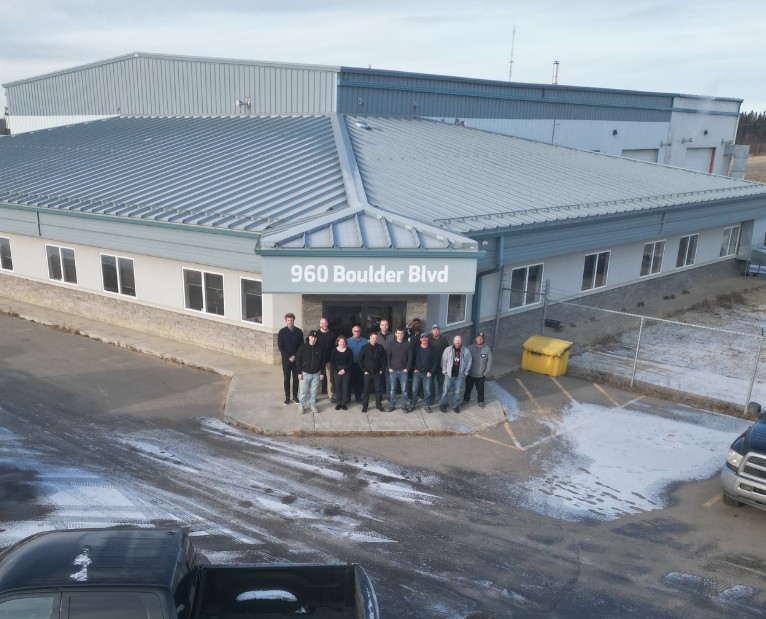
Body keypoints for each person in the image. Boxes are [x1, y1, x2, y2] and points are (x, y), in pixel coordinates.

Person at [439, 335, 472, 414]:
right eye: (456, 340)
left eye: (459, 340)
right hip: (449, 375)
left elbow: (469, 362)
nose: (457, 342)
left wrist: (465, 372)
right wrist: (445, 371)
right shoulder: (448, 350)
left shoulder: (466, 351)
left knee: (457, 392)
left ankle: (455, 405)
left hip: (459, 376)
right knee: (445, 391)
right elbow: (443, 361)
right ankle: (443, 405)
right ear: (453, 341)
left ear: (461, 341)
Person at [277, 312, 303, 405]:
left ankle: (295, 397)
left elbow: (301, 346)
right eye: (288, 320)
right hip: (286, 360)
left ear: (294, 320)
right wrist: (289, 356)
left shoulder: (299, 332)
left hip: (297, 360)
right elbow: (280, 347)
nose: (290, 322)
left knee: (296, 379)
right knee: (286, 379)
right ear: (286, 321)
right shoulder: (282, 332)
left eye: (291, 320)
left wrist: (295, 356)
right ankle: (287, 397)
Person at [296, 330, 323, 414]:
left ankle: (313, 405)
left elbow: (322, 361)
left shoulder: (320, 348)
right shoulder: (303, 347)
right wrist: (299, 373)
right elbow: (298, 360)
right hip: (305, 373)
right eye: (312, 337)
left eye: (315, 338)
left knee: (314, 391)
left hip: (316, 373)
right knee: (303, 391)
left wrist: (322, 373)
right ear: (309, 337)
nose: (313, 339)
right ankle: (301, 406)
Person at [358, 332, 386, 412]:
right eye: (373, 338)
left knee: (378, 390)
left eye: (376, 338)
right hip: (367, 373)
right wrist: (364, 371)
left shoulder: (380, 347)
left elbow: (384, 360)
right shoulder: (364, 347)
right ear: (370, 338)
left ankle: (378, 405)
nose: (375, 339)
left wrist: (381, 369)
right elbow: (360, 360)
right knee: (366, 390)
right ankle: (365, 406)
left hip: (377, 372)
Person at [464, 333, 493, 408]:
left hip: (481, 375)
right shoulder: (470, 348)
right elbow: (465, 360)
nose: (479, 340)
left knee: (480, 389)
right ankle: (465, 400)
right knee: (468, 388)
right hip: (470, 374)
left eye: (481, 338)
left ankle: (481, 401)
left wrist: (486, 372)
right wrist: (465, 371)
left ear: (483, 340)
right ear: (475, 339)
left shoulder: (487, 349)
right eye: (478, 338)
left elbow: (489, 361)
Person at [386, 328, 412, 412]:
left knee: (404, 390)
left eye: (401, 333)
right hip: (393, 371)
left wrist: (407, 368)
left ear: (403, 334)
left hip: (403, 371)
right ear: (395, 334)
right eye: (398, 333)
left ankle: (404, 406)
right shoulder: (391, 344)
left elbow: (410, 358)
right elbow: (388, 357)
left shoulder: (407, 344)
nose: (400, 335)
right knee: (392, 389)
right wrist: (389, 367)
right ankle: (392, 405)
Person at [412, 332, 438, 413]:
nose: (424, 339)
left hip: (427, 373)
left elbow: (435, 362)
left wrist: (431, 372)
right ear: (420, 339)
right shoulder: (416, 348)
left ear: (428, 339)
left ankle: (426, 406)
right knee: (414, 389)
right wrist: (414, 368)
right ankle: (413, 404)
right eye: (422, 337)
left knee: (427, 390)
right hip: (417, 372)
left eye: (426, 337)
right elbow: (412, 359)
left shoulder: (432, 348)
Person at [330, 335, 352, 410]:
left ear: (345, 342)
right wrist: (338, 370)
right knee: (337, 386)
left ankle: (344, 403)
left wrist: (344, 370)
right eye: (340, 342)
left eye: (343, 342)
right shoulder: (334, 350)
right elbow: (332, 362)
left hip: (346, 369)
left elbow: (350, 362)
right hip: (336, 370)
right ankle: (338, 403)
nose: (342, 343)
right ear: (338, 342)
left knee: (345, 387)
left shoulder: (349, 350)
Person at [316, 317, 336, 401]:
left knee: (330, 379)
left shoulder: (332, 334)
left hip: (329, 360)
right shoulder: (316, 334)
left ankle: (331, 395)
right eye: (322, 323)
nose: (324, 325)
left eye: (325, 323)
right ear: (320, 324)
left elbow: (334, 347)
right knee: (316, 379)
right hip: (318, 360)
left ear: (327, 323)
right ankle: (315, 396)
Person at [346, 326, 368, 403]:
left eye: (358, 331)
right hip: (350, 364)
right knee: (349, 382)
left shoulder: (364, 341)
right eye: (355, 331)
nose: (356, 332)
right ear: (352, 332)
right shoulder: (347, 341)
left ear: (360, 331)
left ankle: (358, 398)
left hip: (360, 365)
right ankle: (348, 398)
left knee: (359, 382)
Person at [376, 319, 395, 401]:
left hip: (389, 361)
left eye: (386, 325)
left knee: (389, 380)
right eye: (383, 325)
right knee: (379, 380)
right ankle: (379, 396)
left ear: (388, 326)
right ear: (380, 326)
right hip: (378, 362)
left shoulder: (393, 336)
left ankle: (388, 395)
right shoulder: (376, 336)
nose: (384, 326)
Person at [428, 324, 449, 397]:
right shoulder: (428, 339)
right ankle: (432, 398)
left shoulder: (444, 340)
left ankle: (441, 399)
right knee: (430, 384)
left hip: (441, 366)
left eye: (437, 330)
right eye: (434, 330)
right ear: (431, 331)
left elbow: (448, 352)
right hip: (431, 365)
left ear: (439, 331)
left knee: (441, 383)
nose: (435, 331)